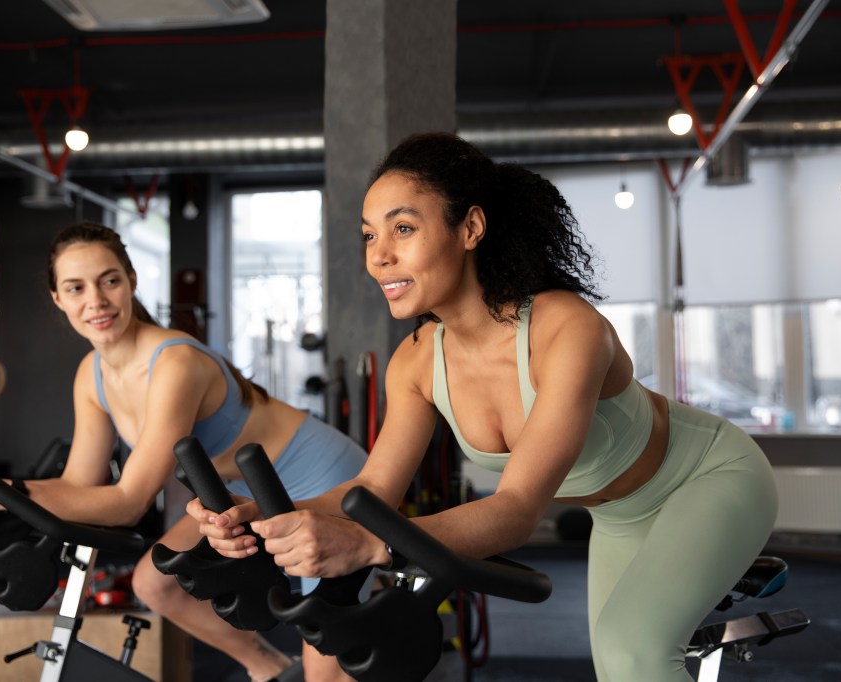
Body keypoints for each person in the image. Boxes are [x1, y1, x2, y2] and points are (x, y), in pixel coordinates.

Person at [189, 133, 780, 682]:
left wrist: (374, 546)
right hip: (622, 515)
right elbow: (373, 490)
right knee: (619, 667)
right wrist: (257, 516)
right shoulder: (416, 363)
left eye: (402, 229)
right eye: (369, 234)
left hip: (709, 479)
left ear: (470, 227)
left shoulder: (565, 329)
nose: (379, 256)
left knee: (635, 650)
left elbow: (519, 508)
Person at [0, 221, 366, 682]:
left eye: (109, 282)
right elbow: (79, 486)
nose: (96, 302)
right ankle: (268, 667)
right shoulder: (92, 374)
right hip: (245, 490)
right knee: (154, 582)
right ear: (59, 299)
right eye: (76, 288)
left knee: (323, 664)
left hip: (324, 479)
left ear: (131, 281)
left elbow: (128, 502)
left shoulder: (175, 363)